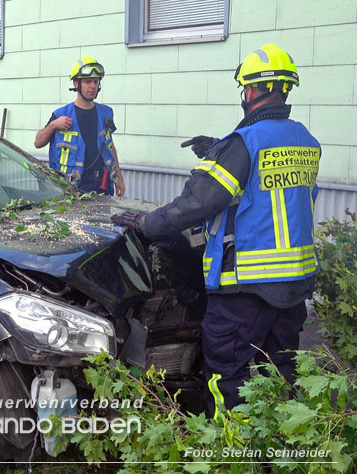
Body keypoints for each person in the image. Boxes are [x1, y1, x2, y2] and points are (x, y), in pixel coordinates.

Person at [111, 44, 320, 417]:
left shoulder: (246, 143)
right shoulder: (304, 139)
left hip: (245, 288)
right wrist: (219, 150)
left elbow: (198, 203)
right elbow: (277, 193)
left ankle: (230, 453)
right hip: (293, 285)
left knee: (228, 377)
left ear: (252, 91)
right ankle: (280, 446)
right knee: (280, 371)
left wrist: (145, 226)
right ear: (285, 89)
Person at [34, 57, 125, 197]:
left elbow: (110, 146)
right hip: (71, 190)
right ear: (76, 84)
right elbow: (38, 143)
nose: (93, 86)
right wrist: (53, 125)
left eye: (96, 81)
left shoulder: (105, 113)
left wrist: (119, 179)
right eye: (88, 82)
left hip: (102, 186)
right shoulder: (61, 115)